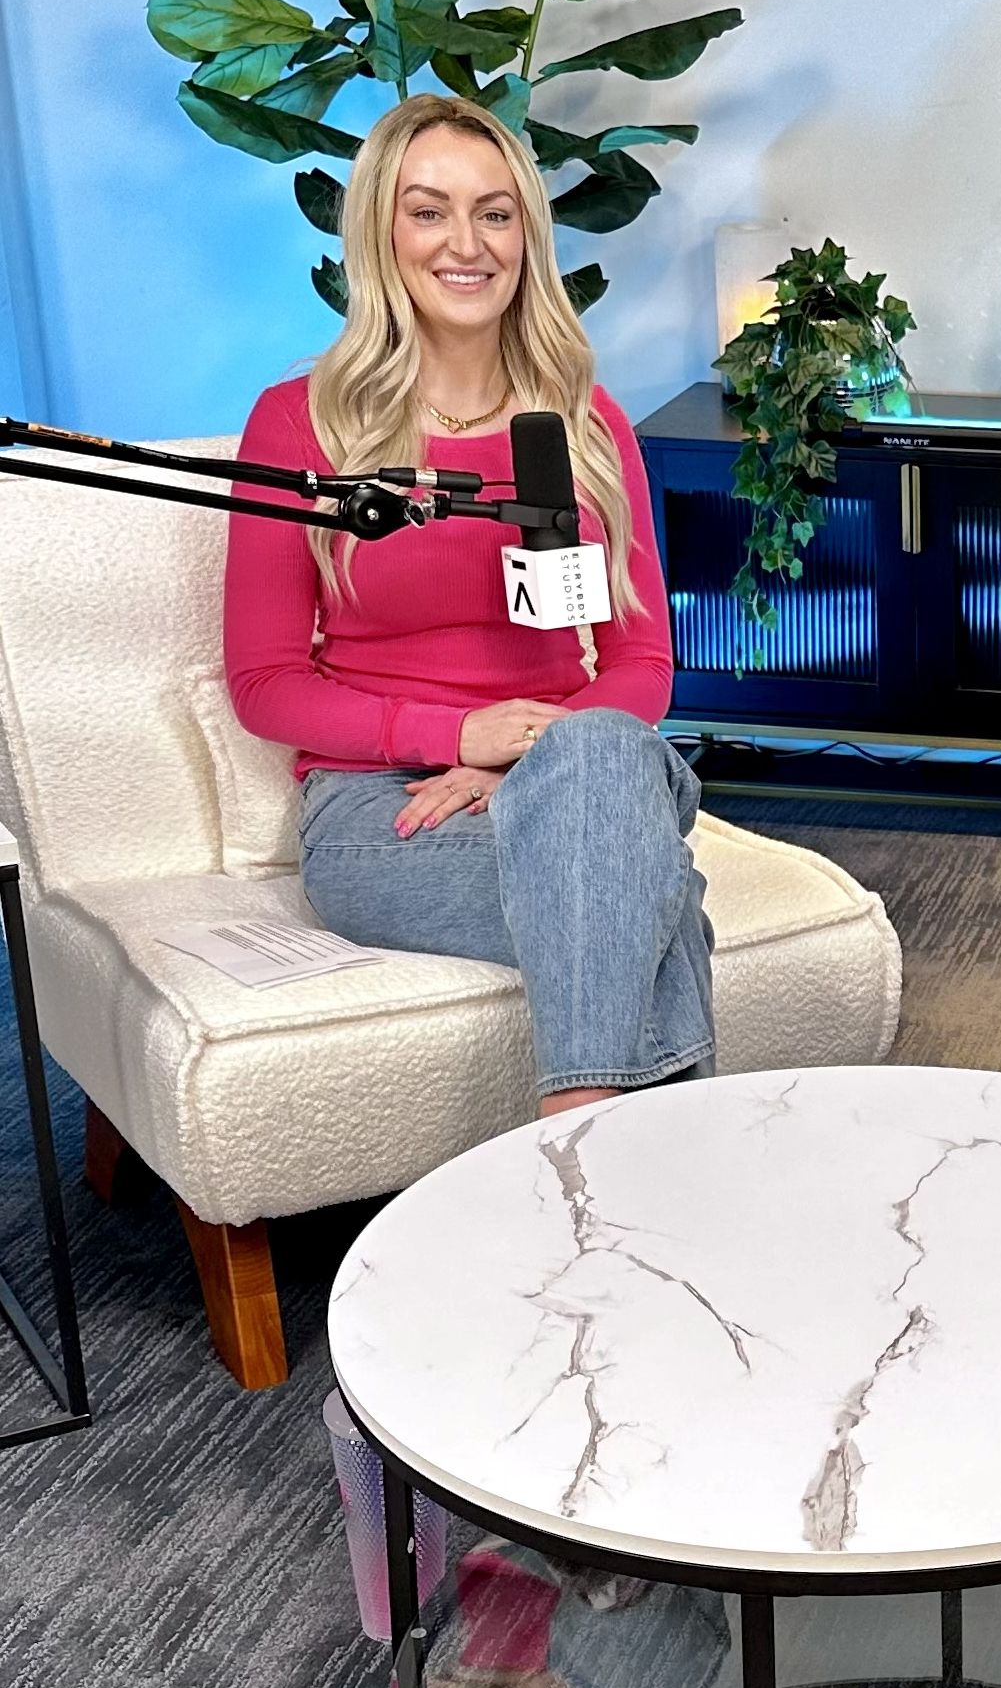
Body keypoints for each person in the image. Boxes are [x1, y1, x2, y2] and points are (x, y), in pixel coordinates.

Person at [224, 91, 714, 1114]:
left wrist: (536, 765)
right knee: (654, 897)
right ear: (382, 232)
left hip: (570, 767)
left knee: (600, 795)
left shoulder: (584, 427)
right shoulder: (298, 426)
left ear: (525, 238)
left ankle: (572, 1153)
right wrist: (460, 732)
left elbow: (642, 665)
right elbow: (266, 684)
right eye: (429, 210)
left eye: (495, 213)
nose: (468, 243)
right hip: (384, 807)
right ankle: (627, 1172)